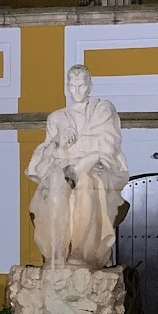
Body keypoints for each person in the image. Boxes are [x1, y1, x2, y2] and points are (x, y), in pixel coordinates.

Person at [26, 64, 129, 268]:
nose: (77, 91)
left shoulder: (102, 109)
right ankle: (57, 251)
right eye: (72, 86)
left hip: (97, 167)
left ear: (90, 85)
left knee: (86, 182)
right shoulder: (57, 117)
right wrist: (57, 140)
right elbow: (43, 155)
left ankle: (81, 251)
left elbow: (110, 143)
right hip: (63, 167)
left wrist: (91, 157)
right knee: (56, 184)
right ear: (67, 87)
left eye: (81, 85)